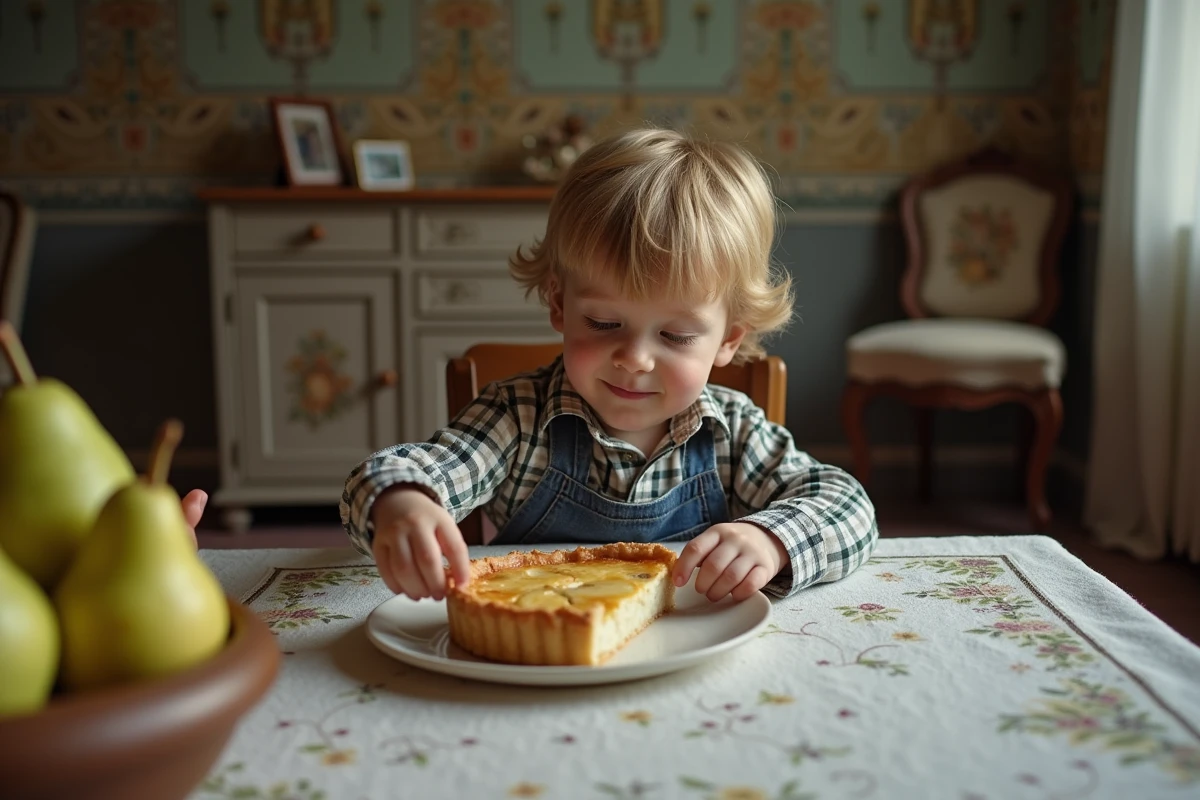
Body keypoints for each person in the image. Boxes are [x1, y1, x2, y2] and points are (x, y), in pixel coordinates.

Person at [340, 128, 878, 603]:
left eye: (676, 335)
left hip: (685, 656)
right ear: (559, 305)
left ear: (727, 340)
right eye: (603, 324)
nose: (635, 359)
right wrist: (402, 503)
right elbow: (403, 470)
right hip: (538, 653)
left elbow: (850, 506)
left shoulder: (732, 431)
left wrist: (771, 539)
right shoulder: (517, 418)